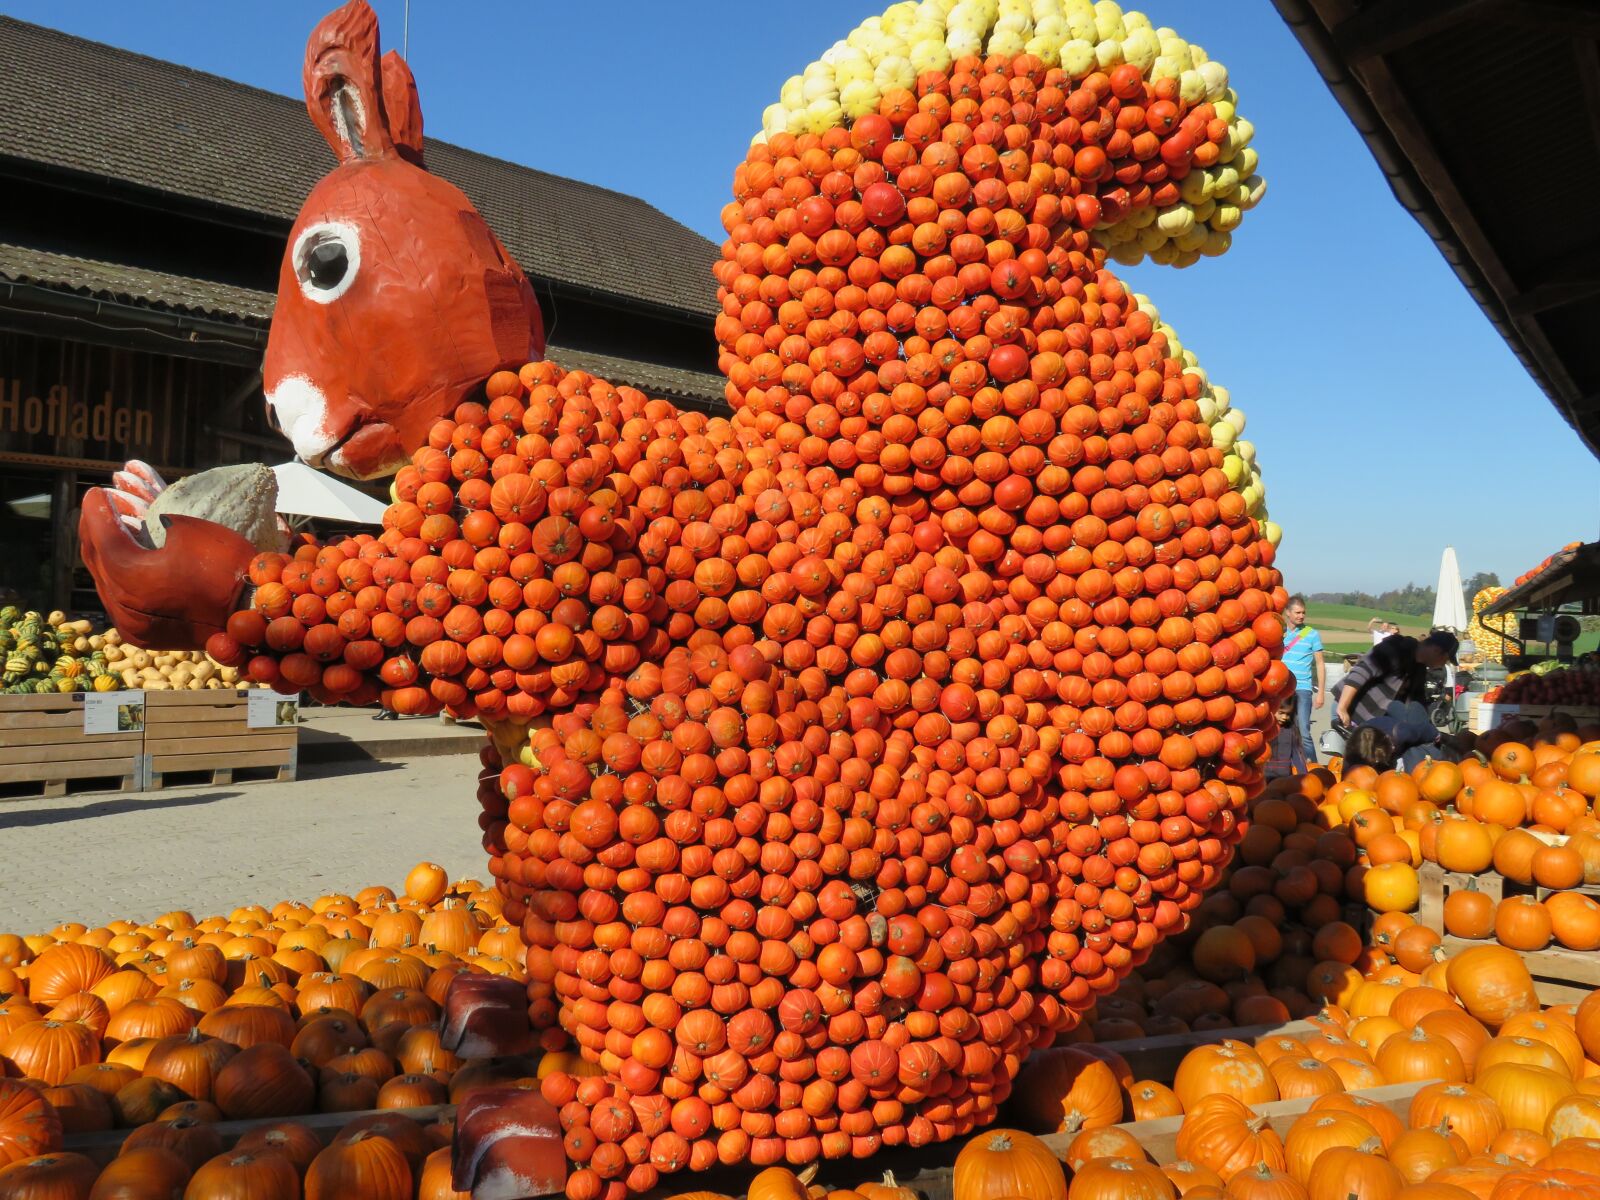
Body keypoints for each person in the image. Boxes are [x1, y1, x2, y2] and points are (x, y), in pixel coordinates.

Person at [1336, 634, 1425, 730]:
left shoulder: (1421, 667)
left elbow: (1416, 703)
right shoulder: (1394, 649)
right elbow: (1362, 671)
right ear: (1438, 651)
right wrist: (1342, 707)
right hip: (1350, 710)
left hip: (1372, 721)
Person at [1281, 595, 1324, 764]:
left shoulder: (1311, 634)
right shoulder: (1278, 632)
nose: (1301, 616)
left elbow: (1320, 664)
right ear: (1288, 613)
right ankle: (1287, 765)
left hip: (1303, 687)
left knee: (1304, 730)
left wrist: (1320, 692)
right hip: (1283, 688)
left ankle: (1312, 766)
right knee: (1283, 729)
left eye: (1303, 612)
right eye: (1297, 612)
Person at [1265, 690, 1308, 780]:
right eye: (1281, 713)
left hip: (1285, 779)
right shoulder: (1264, 730)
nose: (1284, 717)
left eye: (1288, 714)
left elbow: (1297, 755)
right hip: (1264, 778)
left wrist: (1304, 776)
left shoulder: (1290, 730)